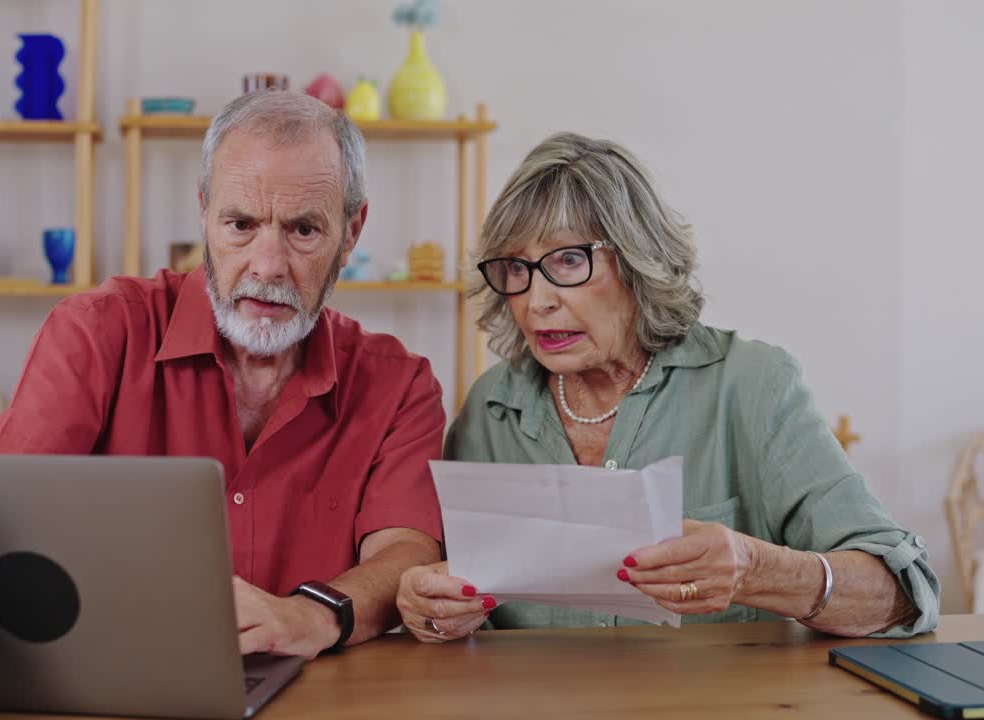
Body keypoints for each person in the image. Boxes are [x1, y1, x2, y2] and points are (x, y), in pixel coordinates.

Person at [396, 132, 939, 642]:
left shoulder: (752, 388)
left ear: (639, 259)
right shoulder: (490, 410)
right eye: (516, 267)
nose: (536, 301)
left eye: (566, 260)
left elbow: (904, 595)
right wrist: (431, 613)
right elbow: (450, 604)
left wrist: (759, 571)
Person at [0, 91, 445, 659]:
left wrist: (309, 613)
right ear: (204, 212)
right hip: (116, 675)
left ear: (352, 231)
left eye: (304, 230)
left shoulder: (400, 385)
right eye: (241, 225)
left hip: (321, 693)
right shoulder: (96, 333)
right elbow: (2, 521)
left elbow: (405, 553)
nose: (268, 265)